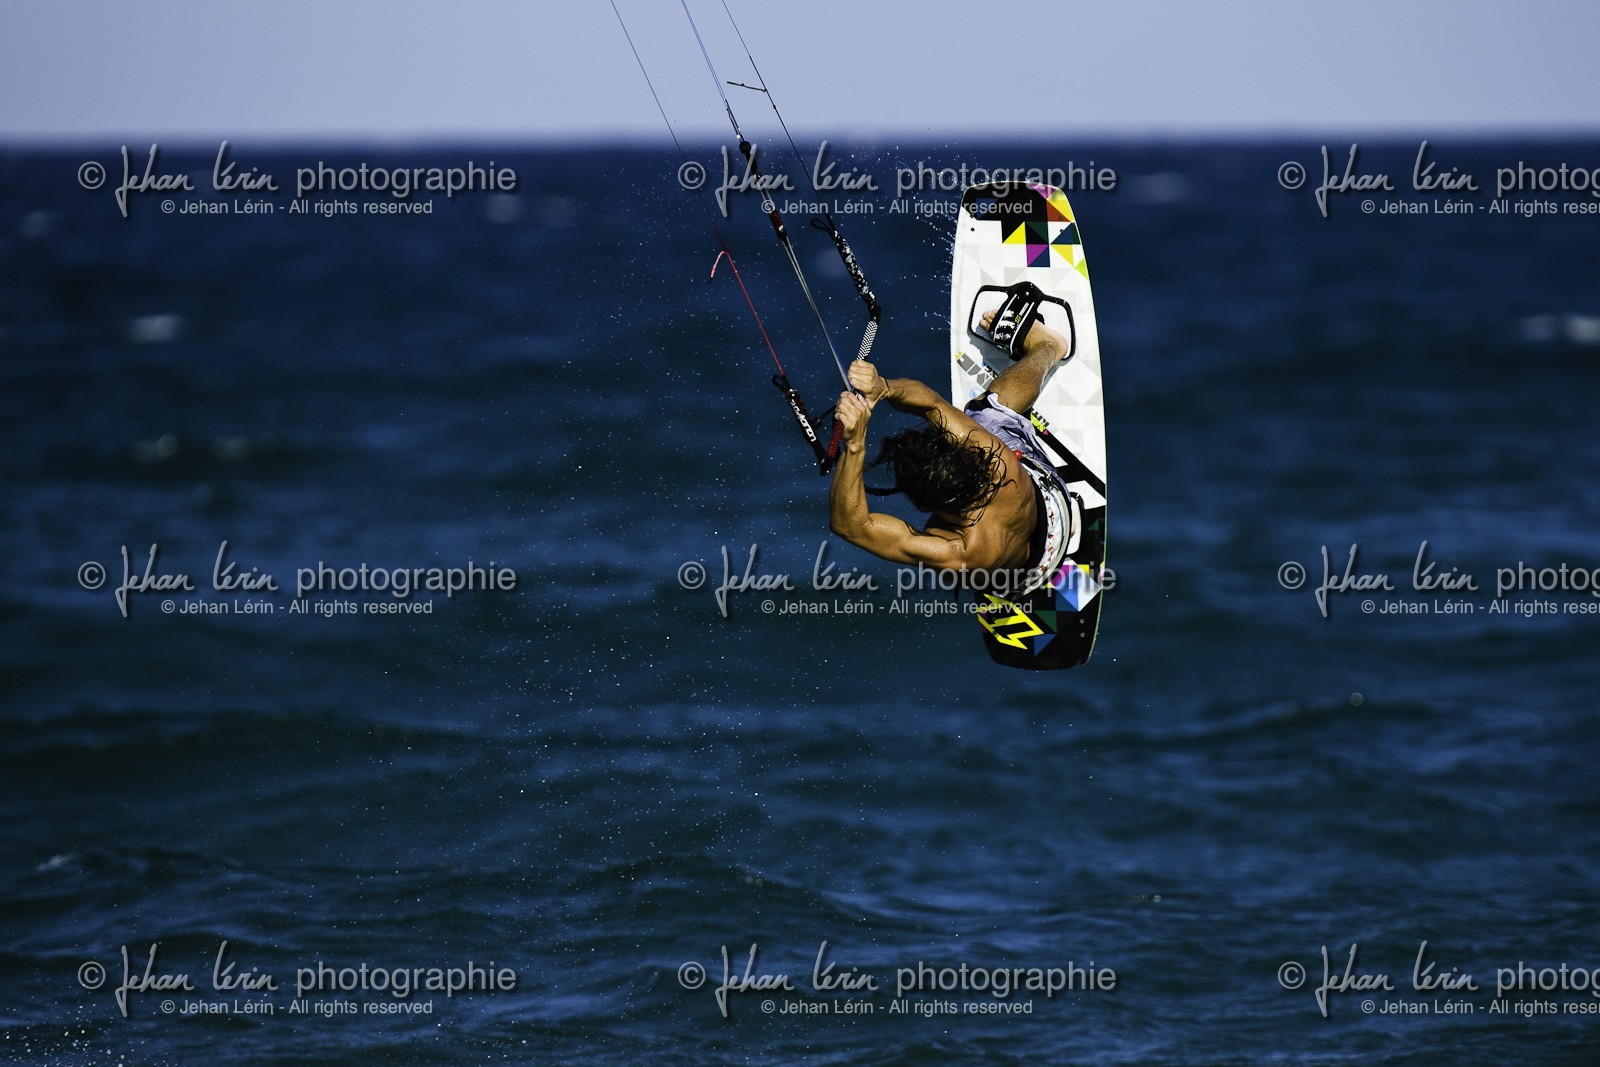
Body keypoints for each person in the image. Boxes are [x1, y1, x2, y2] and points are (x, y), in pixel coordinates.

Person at [829, 311, 1077, 587]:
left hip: (1025, 578)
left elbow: (851, 526)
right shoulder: (996, 463)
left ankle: (1050, 345)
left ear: (924, 505)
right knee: (985, 413)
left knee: (981, 416)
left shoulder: (960, 552)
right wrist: (882, 388)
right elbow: (932, 404)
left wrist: (855, 446)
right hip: (1053, 503)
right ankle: (1047, 348)